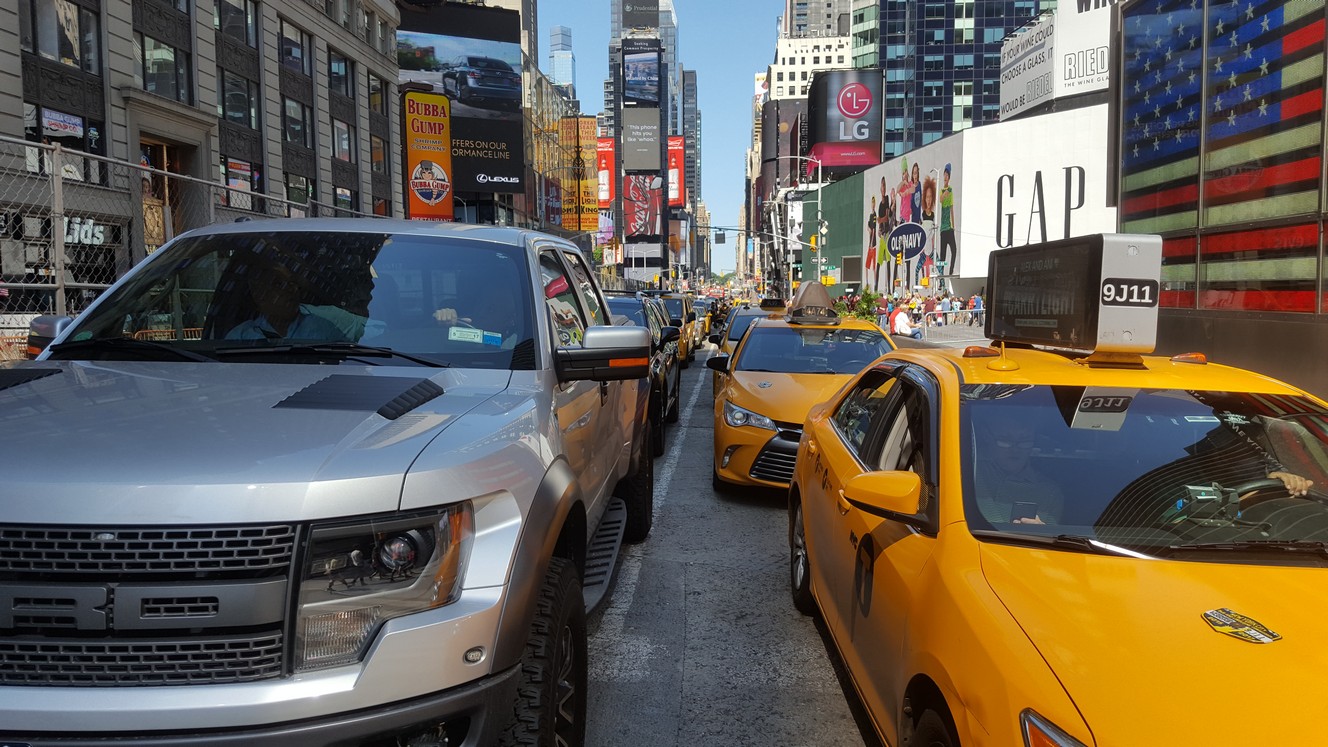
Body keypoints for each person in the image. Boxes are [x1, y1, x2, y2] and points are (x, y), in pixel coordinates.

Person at [225, 262, 351, 341]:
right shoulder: (240, 337)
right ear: (260, 295)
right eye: (278, 284)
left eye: (292, 283)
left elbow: (347, 360)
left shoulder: (323, 328)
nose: (291, 289)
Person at [973, 421, 1064, 525]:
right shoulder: (965, 475)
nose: (1015, 449)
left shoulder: (1050, 493)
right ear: (986, 437)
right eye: (1005, 440)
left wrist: (1041, 531)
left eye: (1024, 441)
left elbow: (1052, 533)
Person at [433, 292, 523, 349]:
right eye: (480, 304)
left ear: (508, 321)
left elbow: (496, 341)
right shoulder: (459, 323)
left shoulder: (513, 345)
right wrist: (442, 320)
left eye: (490, 309)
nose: (480, 312)